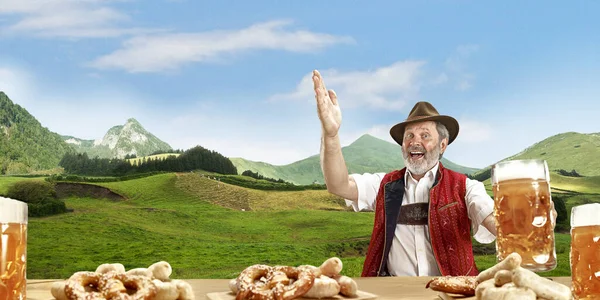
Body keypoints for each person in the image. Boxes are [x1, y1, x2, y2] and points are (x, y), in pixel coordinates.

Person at [312, 69, 555, 278]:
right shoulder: (384, 184)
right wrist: (330, 133)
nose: (414, 142)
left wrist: (531, 222)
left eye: (425, 136)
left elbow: (498, 225)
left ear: (442, 145)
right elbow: (338, 185)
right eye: (409, 136)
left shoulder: (466, 187)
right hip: (393, 293)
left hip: (452, 294)